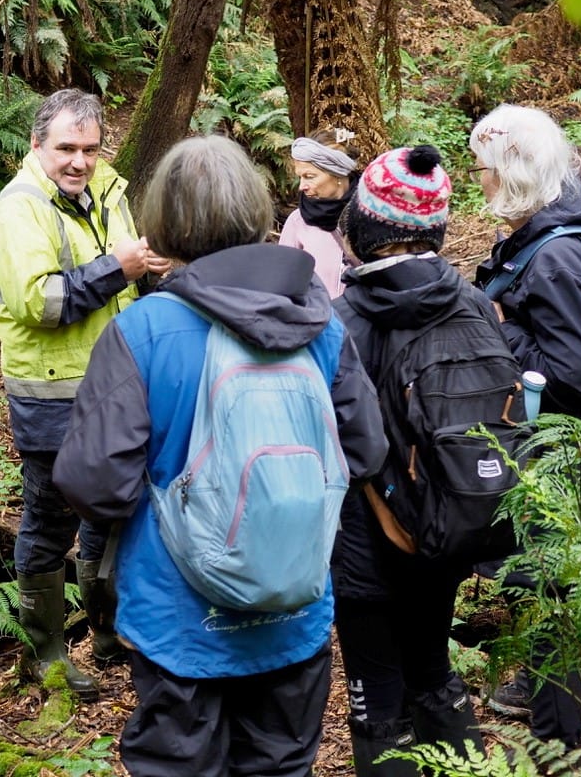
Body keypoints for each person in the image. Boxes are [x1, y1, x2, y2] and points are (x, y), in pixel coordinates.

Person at [53, 134, 386, 777]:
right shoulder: (319, 323)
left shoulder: (142, 332)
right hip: (295, 608)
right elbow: (365, 450)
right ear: (253, 212)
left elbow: (95, 482)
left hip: (179, 619)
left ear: (164, 224)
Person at [0, 88, 170, 696]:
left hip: (115, 384)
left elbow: (128, 281)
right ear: (37, 145)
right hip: (50, 397)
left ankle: (110, 635)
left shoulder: (108, 191)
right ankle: (49, 655)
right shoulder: (18, 210)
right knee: (50, 519)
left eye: (89, 148)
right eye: (66, 148)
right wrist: (122, 267)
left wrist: (151, 278)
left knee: (113, 509)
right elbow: (43, 300)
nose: (79, 161)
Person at [471, 105, 581, 749]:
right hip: (554, 450)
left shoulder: (557, 254)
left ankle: (560, 747)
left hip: (567, 455)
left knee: (558, 595)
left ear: (512, 171)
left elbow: (579, 374)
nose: (477, 180)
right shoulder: (544, 235)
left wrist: (501, 330)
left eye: (483, 169)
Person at [331, 146, 487, 776]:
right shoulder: (472, 303)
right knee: (433, 666)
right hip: (448, 529)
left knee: (377, 694)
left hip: (366, 541)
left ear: (365, 227)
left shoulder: (342, 321)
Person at [278, 127, 360, 297]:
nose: (301, 187)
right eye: (299, 177)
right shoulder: (298, 221)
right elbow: (283, 282)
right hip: (317, 320)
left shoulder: (368, 216)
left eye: (309, 176)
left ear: (337, 174)